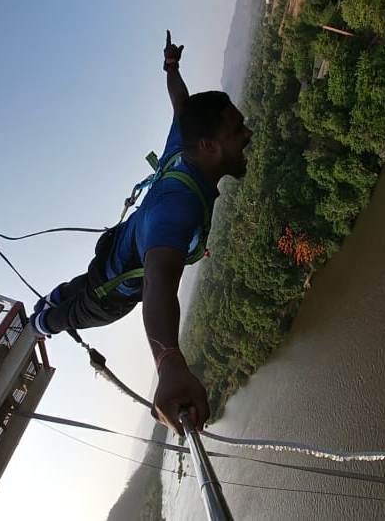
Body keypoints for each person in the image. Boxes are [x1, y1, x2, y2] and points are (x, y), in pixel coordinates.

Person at [29, 31, 252, 435]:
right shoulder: (178, 209)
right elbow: (158, 282)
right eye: (237, 130)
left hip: (118, 248)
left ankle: (57, 296)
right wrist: (169, 363)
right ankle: (43, 323)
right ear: (209, 145)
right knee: (79, 312)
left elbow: (181, 104)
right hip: (118, 287)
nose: (248, 134)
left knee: (84, 282)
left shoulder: (181, 149)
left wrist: (171, 67)